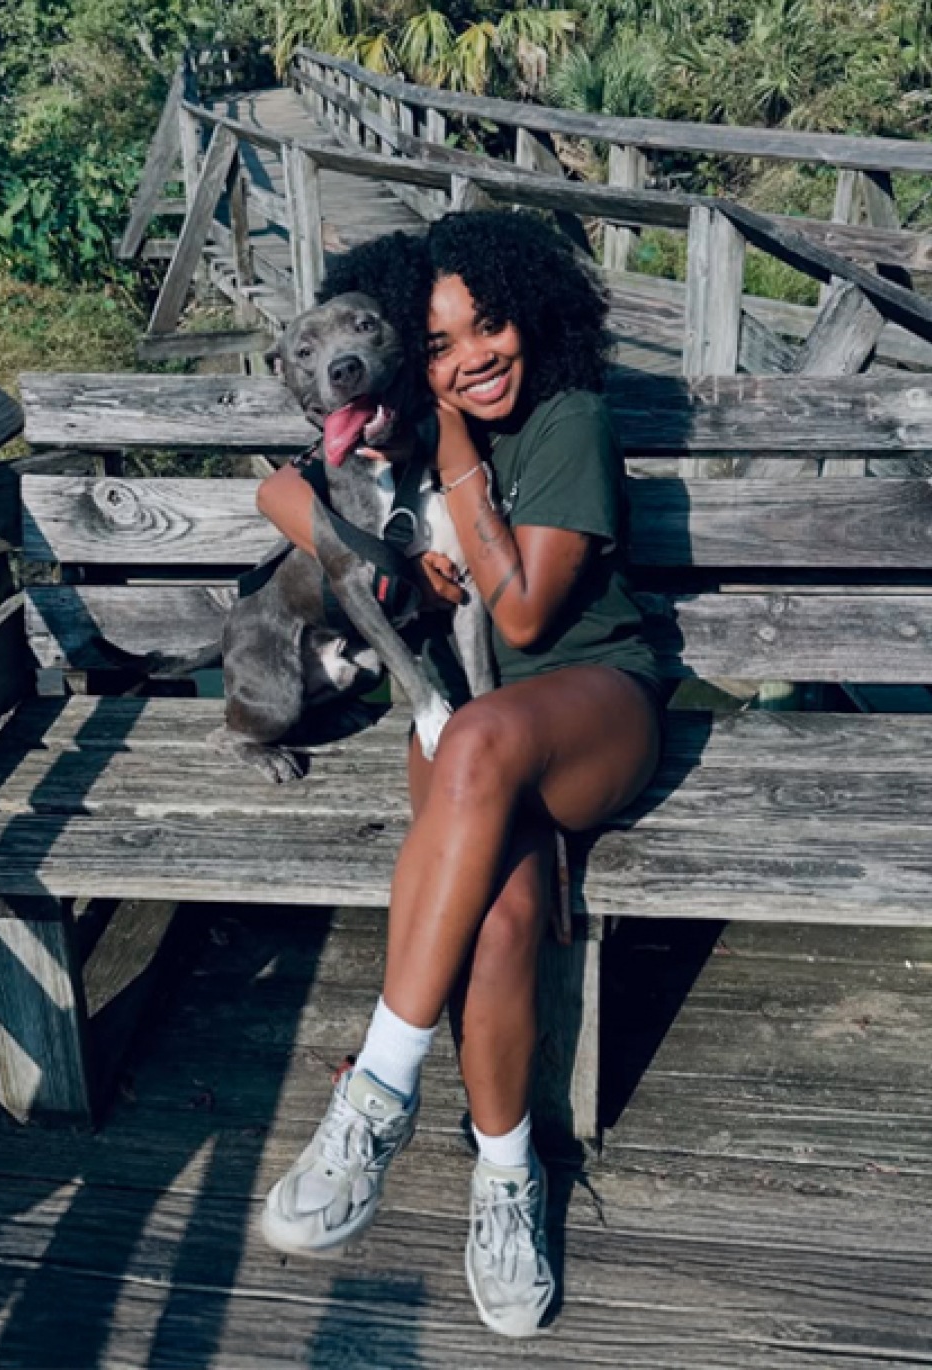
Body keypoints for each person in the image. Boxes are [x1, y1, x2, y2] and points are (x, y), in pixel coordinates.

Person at [254, 210, 664, 1338]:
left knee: (476, 737)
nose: (472, 355)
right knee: (496, 920)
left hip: (591, 707)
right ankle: (505, 1182)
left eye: (488, 325)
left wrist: (453, 449)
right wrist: (357, 543)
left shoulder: (567, 420)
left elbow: (528, 608)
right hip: (470, 725)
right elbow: (279, 493)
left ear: (533, 312)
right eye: (438, 344)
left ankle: (374, 1095)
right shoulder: (396, 430)